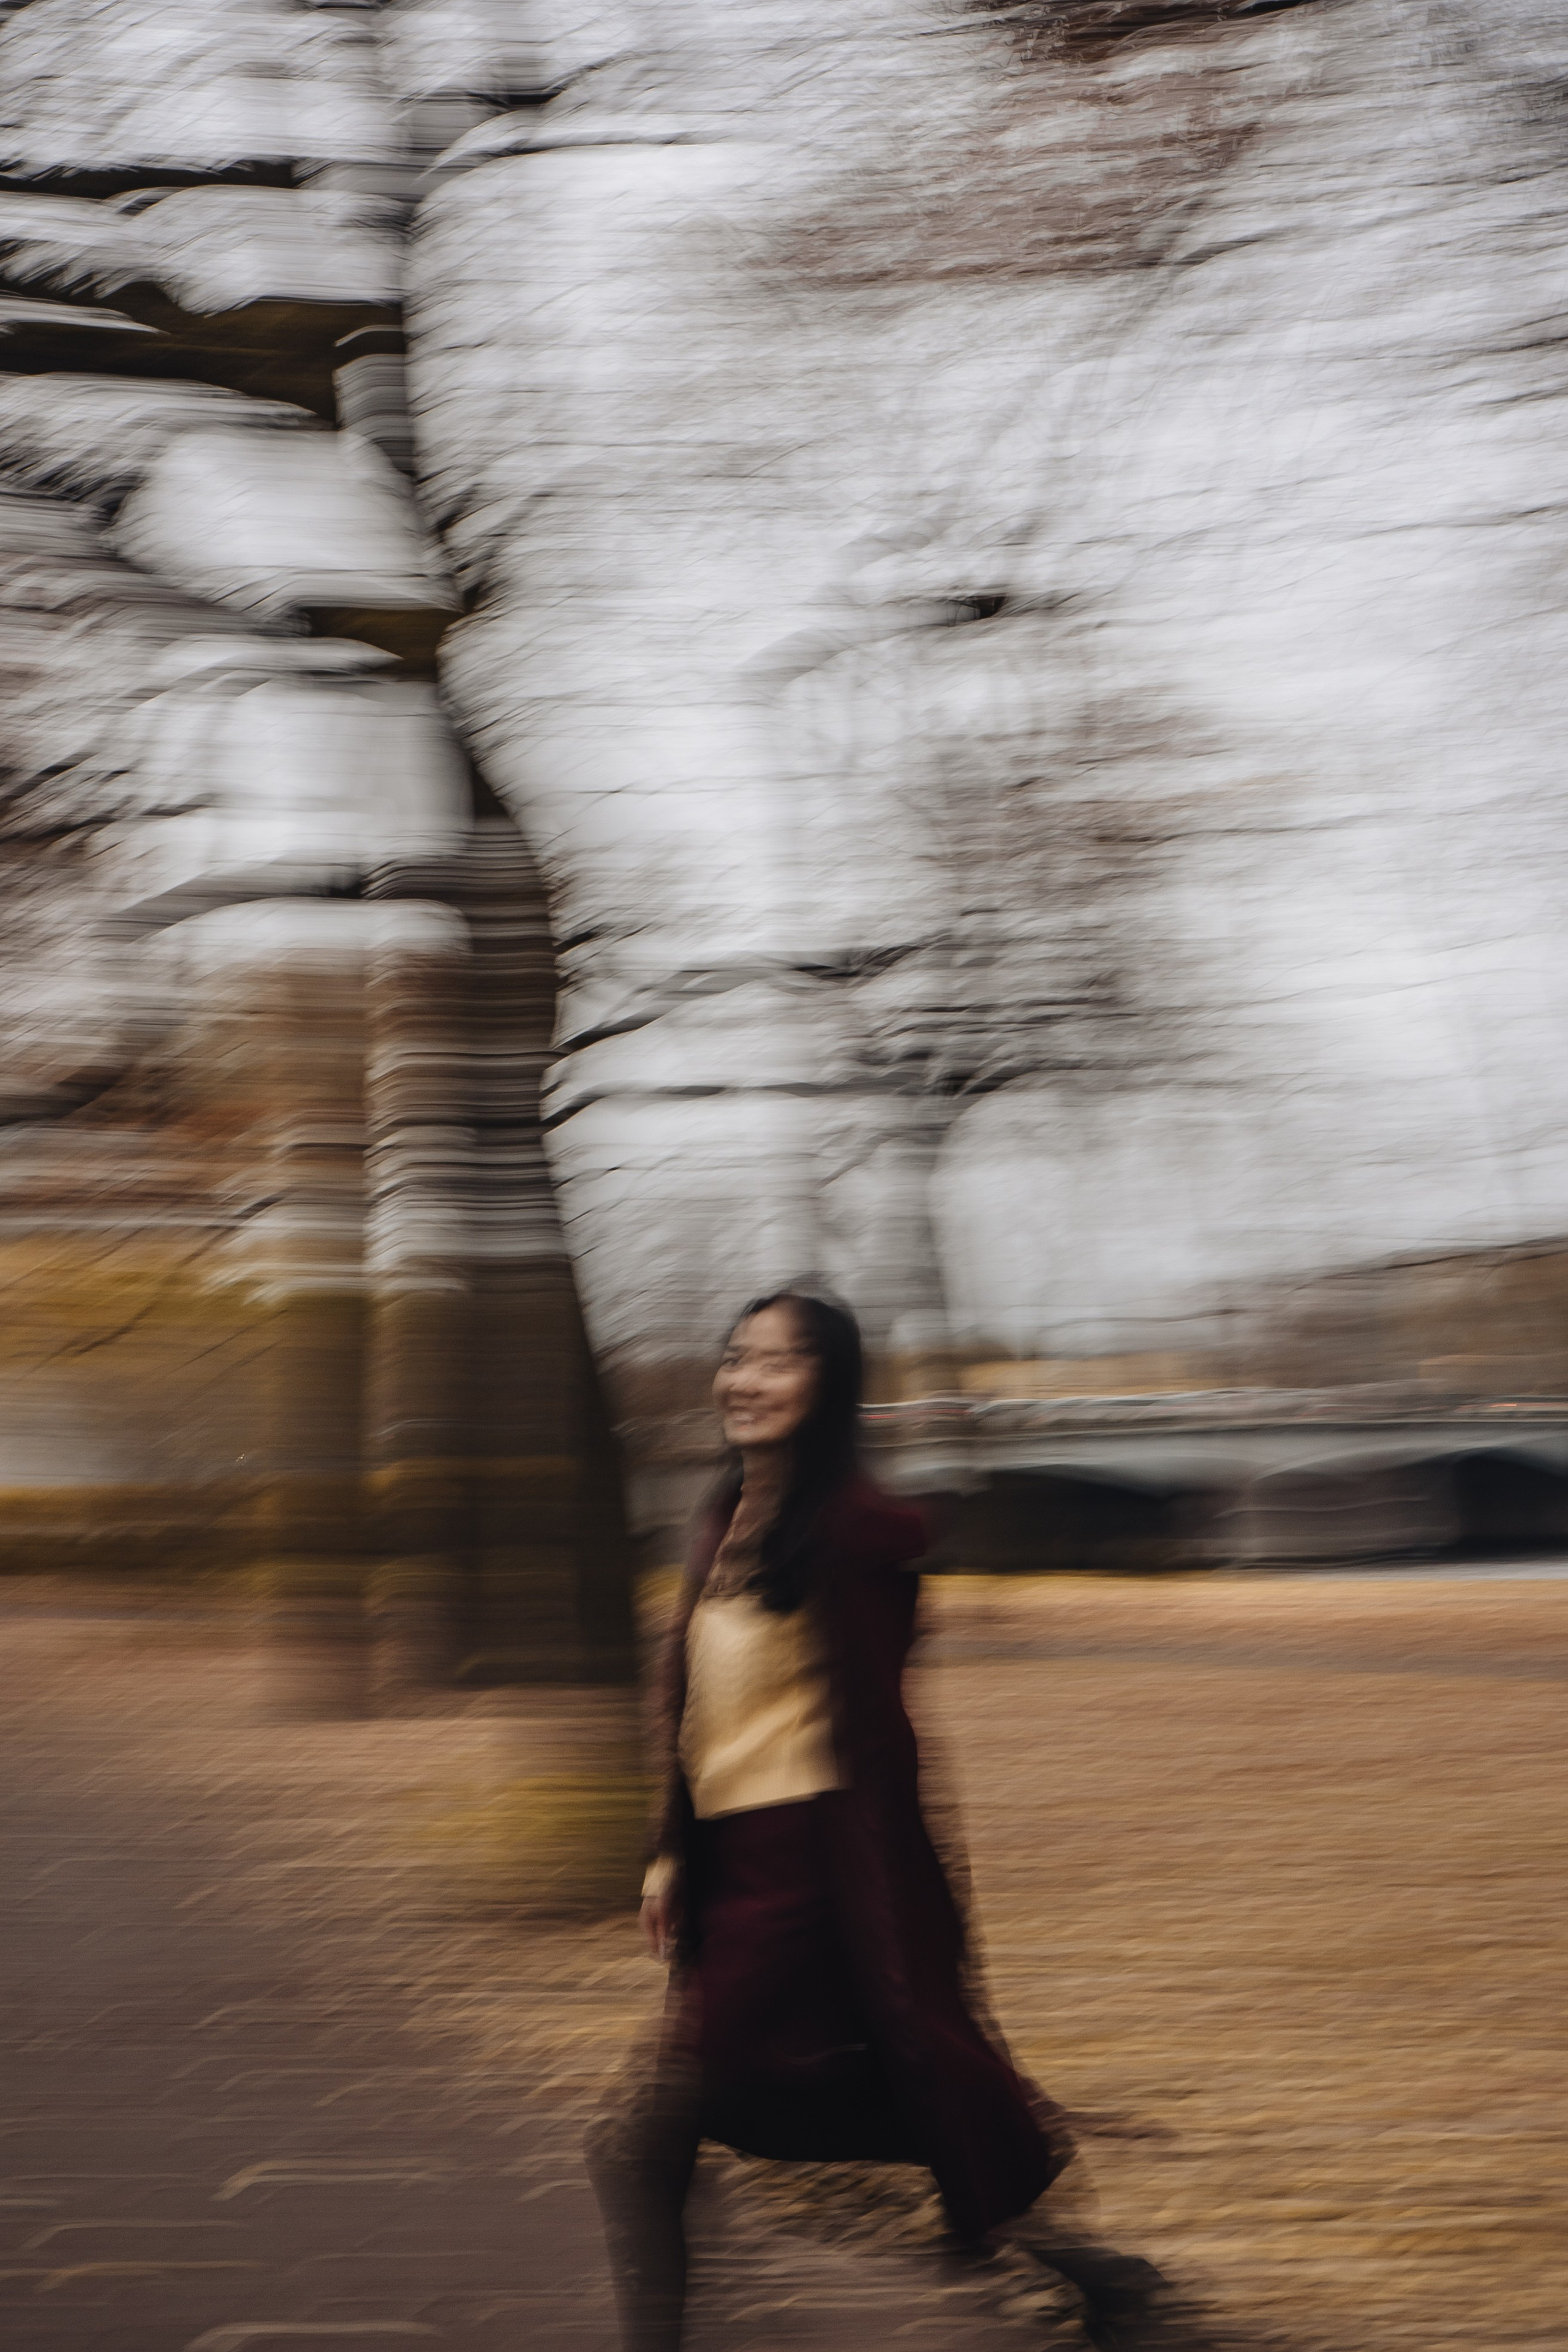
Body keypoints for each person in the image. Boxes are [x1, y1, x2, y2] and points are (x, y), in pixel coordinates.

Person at [585, 1289, 1185, 2351]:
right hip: (731, 1868)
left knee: (651, 2136)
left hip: (808, 1875)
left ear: (830, 1385)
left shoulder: (857, 1537)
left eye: (779, 1361)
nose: (746, 1380)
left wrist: (878, 1901)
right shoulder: (725, 1515)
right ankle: (1092, 2270)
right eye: (737, 1357)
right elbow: (694, 1711)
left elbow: (879, 1746)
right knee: (832, 2098)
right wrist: (669, 1855)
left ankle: (1055, 2240)